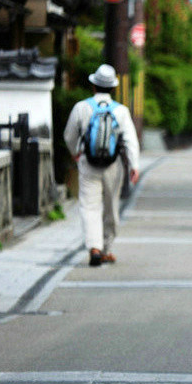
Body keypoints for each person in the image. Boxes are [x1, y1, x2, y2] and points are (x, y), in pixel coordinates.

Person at [63, 64, 140, 267]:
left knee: (89, 206)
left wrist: (75, 153)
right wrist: (134, 166)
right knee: (111, 206)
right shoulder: (121, 111)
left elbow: (69, 135)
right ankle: (106, 248)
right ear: (113, 88)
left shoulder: (82, 107)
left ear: (94, 86)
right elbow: (131, 141)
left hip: (88, 163)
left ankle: (94, 247)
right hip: (113, 166)